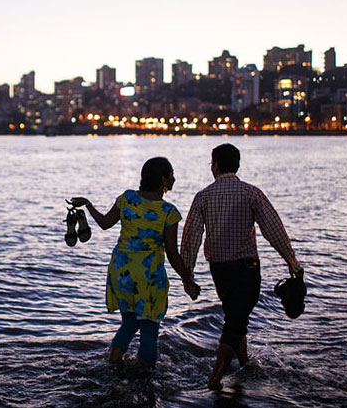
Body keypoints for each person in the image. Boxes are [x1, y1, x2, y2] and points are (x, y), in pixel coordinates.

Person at [180, 143, 304, 390]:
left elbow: (191, 239)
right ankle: (214, 381)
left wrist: (188, 277)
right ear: (237, 165)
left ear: (214, 166)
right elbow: (274, 230)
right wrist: (292, 262)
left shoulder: (203, 196)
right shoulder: (251, 193)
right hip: (246, 268)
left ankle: (245, 364)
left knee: (235, 316)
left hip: (219, 269)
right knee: (235, 322)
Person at [69, 157, 200, 368]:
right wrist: (188, 281)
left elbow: (103, 223)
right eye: (171, 174)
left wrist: (87, 204)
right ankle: (144, 379)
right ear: (163, 179)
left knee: (129, 323)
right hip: (148, 275)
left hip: (121, 271)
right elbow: (173, 253)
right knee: (149, 327)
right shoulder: (168, 212)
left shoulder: (127, 198)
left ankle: (113, 365)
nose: (174, 178)